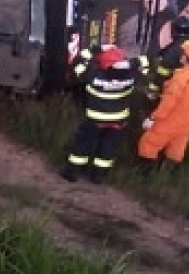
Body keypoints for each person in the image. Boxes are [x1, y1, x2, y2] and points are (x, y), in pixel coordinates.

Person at [61, 44, 149, 184]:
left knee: (83, 145)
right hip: (119, 121)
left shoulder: (92, 75)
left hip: (95, 119)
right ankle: (98, 177)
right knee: (107, 149)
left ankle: (71, 173)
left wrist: (96, 49)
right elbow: (144, 62)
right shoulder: (131, 77)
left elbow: (77, 63)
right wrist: (131, 63)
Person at [137, 39, 189, 174]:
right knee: (176, 149)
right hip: (188, 120)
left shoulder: (180, 78)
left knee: (148, 144)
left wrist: (153, 118)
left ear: (186, 57)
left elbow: (169, 102)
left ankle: (145, 175)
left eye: (183, 53)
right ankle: (168, 174)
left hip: (169, 120)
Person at [143, 16, 189, 111]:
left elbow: (161, 76)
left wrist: (151, 93)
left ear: (174, 32)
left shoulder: (172, 52)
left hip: (174, 90)